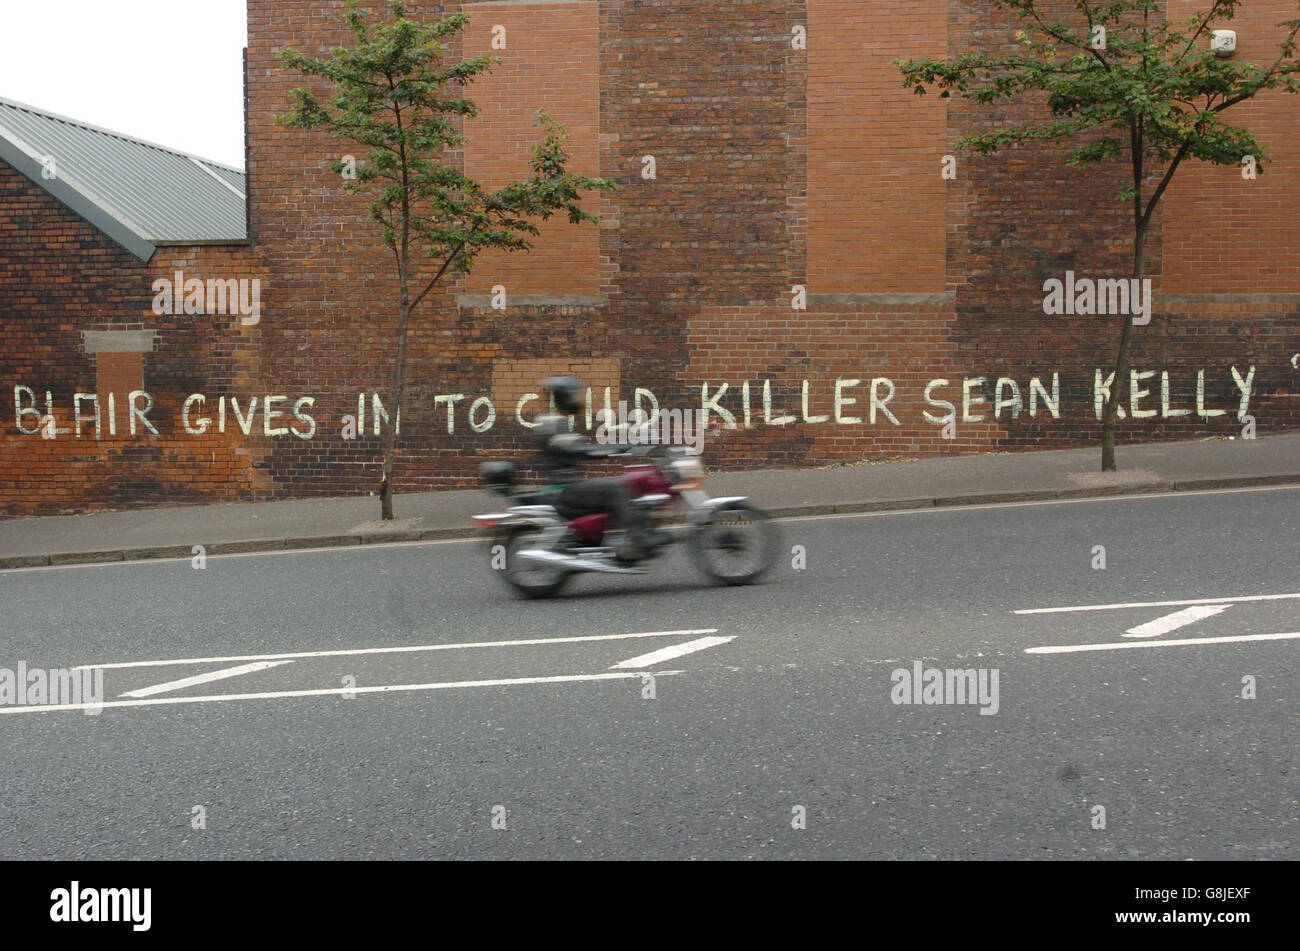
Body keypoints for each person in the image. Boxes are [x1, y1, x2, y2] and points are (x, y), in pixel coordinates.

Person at [535, 377, 646, 561]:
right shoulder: (552, 423)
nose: (577, 400)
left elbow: (577, 447)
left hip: (566, 485)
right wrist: (619, 448)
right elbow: (579, 449)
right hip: (562, 488)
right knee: (616, 487)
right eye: (573, 396)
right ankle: (639, 540)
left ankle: (611, 539)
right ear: (564, 397)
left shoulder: (556, 421)